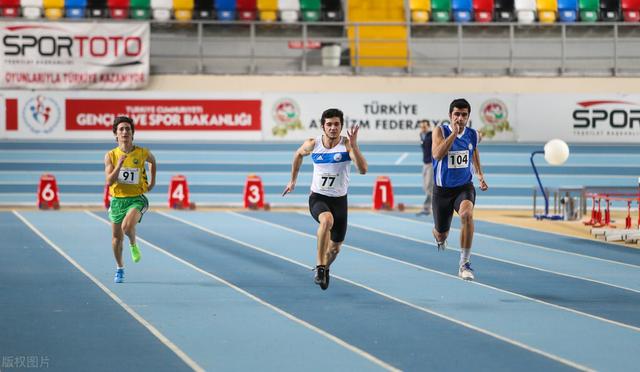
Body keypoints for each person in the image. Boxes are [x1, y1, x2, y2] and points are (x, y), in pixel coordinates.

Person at [283, 108, 368, 290]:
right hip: (318, 198)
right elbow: (298, 154)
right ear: (323, 126)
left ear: (341, 126)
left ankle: (326, 268)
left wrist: (354, 146)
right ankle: (320, 267)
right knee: (326, 220)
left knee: (335, 249)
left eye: (336, 124)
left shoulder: (346, 145)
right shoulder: (313, 144)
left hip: (340, 202)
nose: (333, 128)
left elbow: (363, 170)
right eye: (329, 124)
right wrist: (293, 180)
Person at [431, 99, 488, 281]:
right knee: (441, 232)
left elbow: (474, 150)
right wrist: (453, 135)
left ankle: (464, 263)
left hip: (464, 187)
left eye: (464, 115)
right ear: (450, 116)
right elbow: (437, 154)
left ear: (468, 117)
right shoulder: (440, 131)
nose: (460, 118)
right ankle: (439, 238)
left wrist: (479, 174)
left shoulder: (472, 134)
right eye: (457, 114)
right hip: (442, 190)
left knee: (466, 215)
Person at [104, 116, 156, 283]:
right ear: (116, 135)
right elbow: (109, 181)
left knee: (127, 227)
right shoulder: (110, 155)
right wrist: (119, 165)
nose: (125, 132)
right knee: (116, 238)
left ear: (132, 133)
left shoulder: (142, 153)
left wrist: (152, 181)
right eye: (121, 129)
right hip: (117, 200)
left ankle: (133, 243)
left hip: (137, 199)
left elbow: (153, 161)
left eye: (128, 129)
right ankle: (120, 268)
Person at [417, 119, 433, 216]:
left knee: (429, 187)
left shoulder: (432, 136)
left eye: (424, 127)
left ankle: (427, 208)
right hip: (425, 163)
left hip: (431, 163)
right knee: (426, 187)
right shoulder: (421, 135)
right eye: (421, 126)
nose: (422, 128)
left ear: (428, 126)